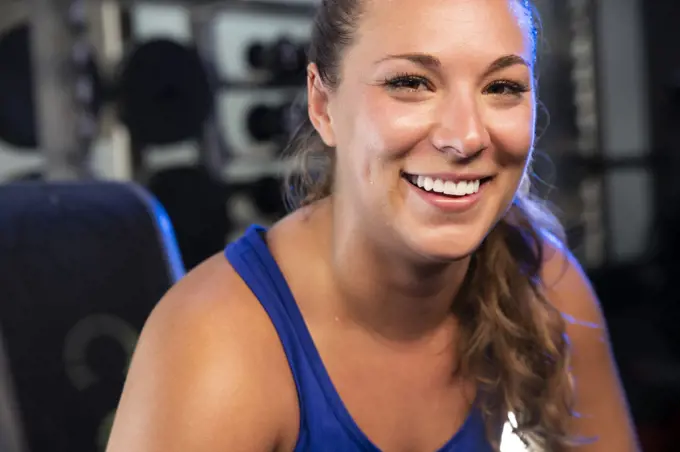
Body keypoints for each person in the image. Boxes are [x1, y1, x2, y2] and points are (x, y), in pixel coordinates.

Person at [106, 0, 639, 450]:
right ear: (322, 104)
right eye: (411, 83)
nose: (466, 137)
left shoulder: (542, 282)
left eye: (501, 87)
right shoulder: (216, 348)